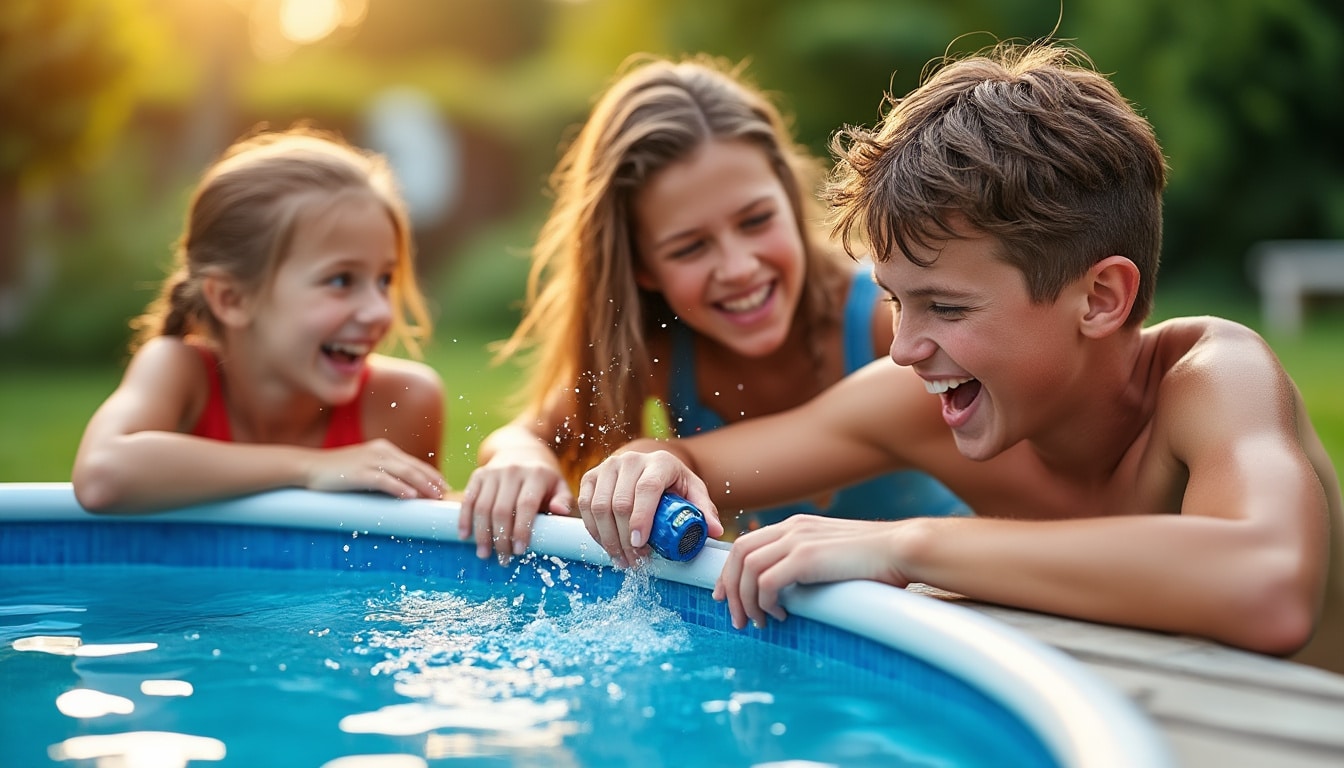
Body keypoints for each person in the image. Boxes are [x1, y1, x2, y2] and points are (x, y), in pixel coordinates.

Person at [576, 42, 1344, 673]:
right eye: (895, 301)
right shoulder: (917, 404)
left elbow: (1266, 587)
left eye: (946, 307)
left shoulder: (1212, 379)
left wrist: (912, 545)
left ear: (1101, 298)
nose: (906, 348)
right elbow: (693, 465)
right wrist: (649, 459)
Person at [460, 55, 968, 565]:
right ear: (644, 268)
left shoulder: (892, 321)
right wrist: (517, 458)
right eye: (689, 248)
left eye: (755, 220)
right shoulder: (658, 351)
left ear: (790, 202)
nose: (739, 267)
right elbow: (526, 437)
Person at [73, 127, 448, 512]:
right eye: (340, 280)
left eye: (384, 279)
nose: (381, 311)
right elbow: (103, 474)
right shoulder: (180, 371)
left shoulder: (400, 403)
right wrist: (309, 467)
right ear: (231, 299)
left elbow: (409, 561)